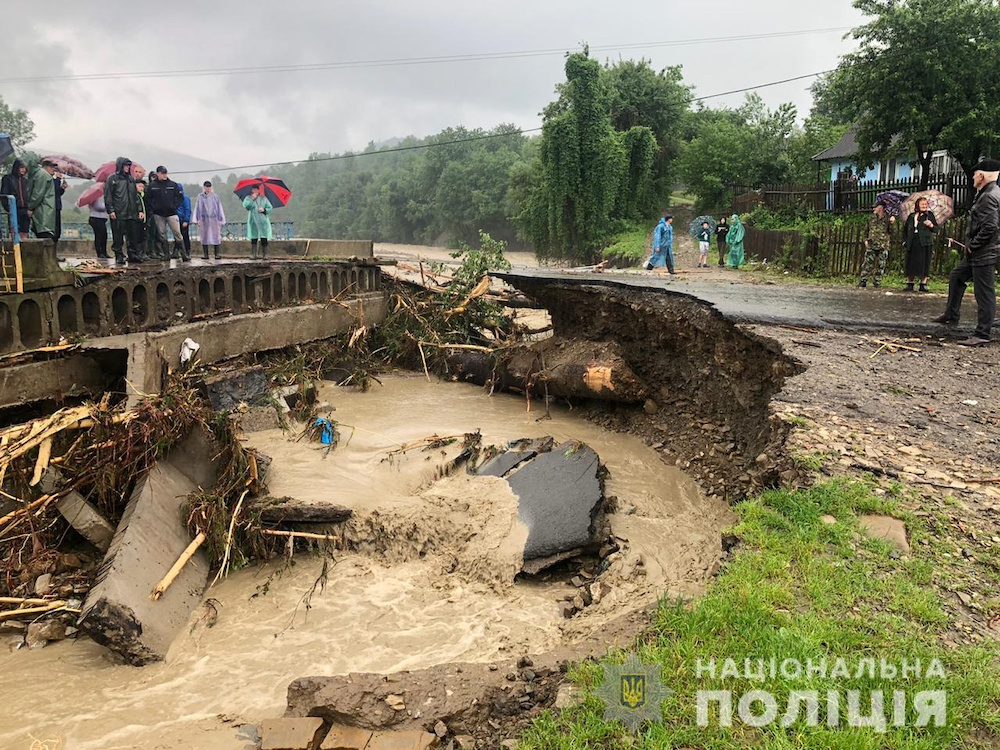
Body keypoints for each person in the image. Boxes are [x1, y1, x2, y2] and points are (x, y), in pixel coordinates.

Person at [934, 159, 1000, 346]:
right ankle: (951, 314)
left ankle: (982, 334)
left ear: (981, 176)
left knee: (984, 293)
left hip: (984, 253)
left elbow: (990, 227)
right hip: (978, 253)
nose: (972, 177)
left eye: (974, 173)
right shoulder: (989, 192)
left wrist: (974, 245)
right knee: (956, 276)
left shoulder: (989, 196)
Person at [103, 157, 143, 265]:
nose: (127, 168)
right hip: (118, 212)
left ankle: (132, 254)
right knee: (118, 236)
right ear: (120, 166)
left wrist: (139, 210)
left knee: (132, 236)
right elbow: (108, 196)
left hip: (132, 212)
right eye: (125, 165)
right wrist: (110, 210)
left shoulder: (131, 179)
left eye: (129, 166)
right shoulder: (112, 179)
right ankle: (119, 255)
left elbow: (135, 197)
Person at [147, 166, 186, 260]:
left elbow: (180, 197)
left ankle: (184, 254)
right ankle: (166, 254)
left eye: (165, 173)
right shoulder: (152, 186)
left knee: (177, 233)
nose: (164, 175)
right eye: (162, 173)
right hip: (158, 214)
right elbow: (148, 199)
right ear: (158, 174)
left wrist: (175, 206)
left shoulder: (173, 185)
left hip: (172, 213)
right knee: (162, 234)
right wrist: (154, 207)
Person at [902, 197, 937, 292]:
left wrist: (931, 225)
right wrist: (905, 241)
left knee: (924, 261)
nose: (924, 206)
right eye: (922, 204)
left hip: (925, 242)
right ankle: (910, 283)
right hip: (913, 241)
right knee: (911, 261)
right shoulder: (912, 216)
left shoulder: (929, 215)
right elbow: (905, 230)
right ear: (918, 205)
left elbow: (936, 229)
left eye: (926, 204)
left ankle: (923, 283)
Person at [858, 203, 893, 288]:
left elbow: (892, 232)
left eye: (876, 207)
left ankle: (877, 282)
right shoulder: (871, 218)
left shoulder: (888, 218)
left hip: (883, 244)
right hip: (872, 243)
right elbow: (866, 230)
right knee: (867, 263)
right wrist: (865, 240)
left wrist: (892, 223)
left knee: (881, 264)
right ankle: (863, 281)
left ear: (881, 208)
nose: (874, 208)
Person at [27, 158, 58, 240]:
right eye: (51, 167)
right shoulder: (44, 175)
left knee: (43, 234)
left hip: (42, 211)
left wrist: (30, 207)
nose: (53, 169)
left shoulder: (41, 175)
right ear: (46, 167)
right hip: (46, 210)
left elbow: (37, 194)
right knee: (45, 234)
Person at [194, 181, 226, 260]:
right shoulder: (200, 196)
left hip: (214, 218)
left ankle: (217, 254)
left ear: (211, 187)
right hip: (204, 219)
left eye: (209, 187)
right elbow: (197, 208)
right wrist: (197, 219)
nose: (208, 189)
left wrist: (220, 218)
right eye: (206, 187)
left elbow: (219, 208)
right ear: (204, 187)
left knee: (216, 236)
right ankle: (205, 254)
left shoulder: (215, 196)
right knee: (204, 236)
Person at [1, 159, 30, 240]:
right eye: (21, 167)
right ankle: (14, 249)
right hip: (13, 209)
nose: (23, 170)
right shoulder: (8, 178)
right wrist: (8, 208)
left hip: (25, 209)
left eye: (25, 168)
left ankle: (24, 251)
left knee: (24, 232)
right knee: (13, 232)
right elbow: (4, 194)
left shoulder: (25, 181)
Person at [243, 185, 273, 259]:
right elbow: (247, 206)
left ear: (259, 190)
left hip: (262, 220)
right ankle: (254, 254)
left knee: (264, 237)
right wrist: (252, 199)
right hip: (253, 220)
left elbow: (270, 207)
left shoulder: (263, 198)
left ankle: (265, 254)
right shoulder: (248, 198)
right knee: (254, 237)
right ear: (252, 190)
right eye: (253, 189)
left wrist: (264, 210)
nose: (255, 191)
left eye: (256, 189)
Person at [177, 186, 192, 260]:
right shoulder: (175, 198)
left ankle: (187, 252)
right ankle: (179, 252)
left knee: (185, 237)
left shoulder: (185, 198)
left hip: (183, 220)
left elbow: (187, 209)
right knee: (178, 237)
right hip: (177, 220)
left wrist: (186, 220)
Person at [52, 168, 67, 242]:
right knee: (54, 228)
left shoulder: (57, 182)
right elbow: (53, 192)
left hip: (57, 206)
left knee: (58, 229)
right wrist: (58, 179)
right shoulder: (52, 181)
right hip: (52, 207)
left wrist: (62, 188)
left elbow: (58, 194)